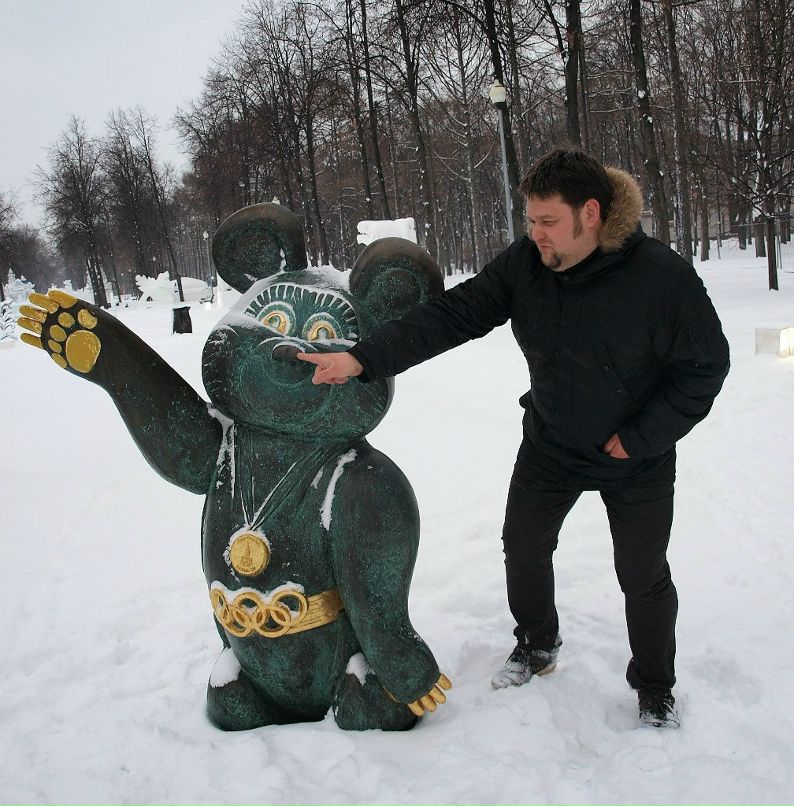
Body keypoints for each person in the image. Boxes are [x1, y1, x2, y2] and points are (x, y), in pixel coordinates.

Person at [297, 148, 730, 729]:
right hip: (551, 443)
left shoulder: (662, 277)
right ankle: (537, 643)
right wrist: (361, 360)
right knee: (523, 548)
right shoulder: (526, 264)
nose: (536, 234)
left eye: (548, 222)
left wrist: (642, 437)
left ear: (592, 214)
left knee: (643, 574)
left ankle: (655, 688)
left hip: (635, 456)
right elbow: (453, 315)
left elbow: (705, 368)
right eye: (530, 221)